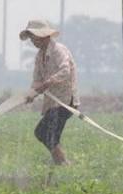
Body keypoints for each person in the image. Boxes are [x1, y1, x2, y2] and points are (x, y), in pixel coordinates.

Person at [20, 20, 80, 165]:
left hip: (65, 101)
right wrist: (31, 94)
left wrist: (47, 83)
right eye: (31, 38)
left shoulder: (59, 50)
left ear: (45, 36)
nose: (33, 41)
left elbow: (65, 71)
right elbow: (37, 80)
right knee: (45, 134)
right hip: (53, 103)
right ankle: (62, 164)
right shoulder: (39, 57)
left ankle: (64, 164)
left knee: (46, 133)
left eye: (34, 37)